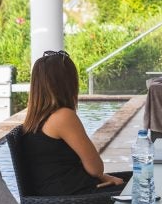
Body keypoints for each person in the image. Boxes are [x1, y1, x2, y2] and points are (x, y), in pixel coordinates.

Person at [21, 50, 131, 196]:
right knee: (146, 186)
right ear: (67, 83)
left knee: (138, 181)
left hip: (57, 195)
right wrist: (101, 175)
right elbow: (96, 168)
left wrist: (104, 177)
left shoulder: (34, 120)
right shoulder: (63, 116)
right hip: (75, 198)